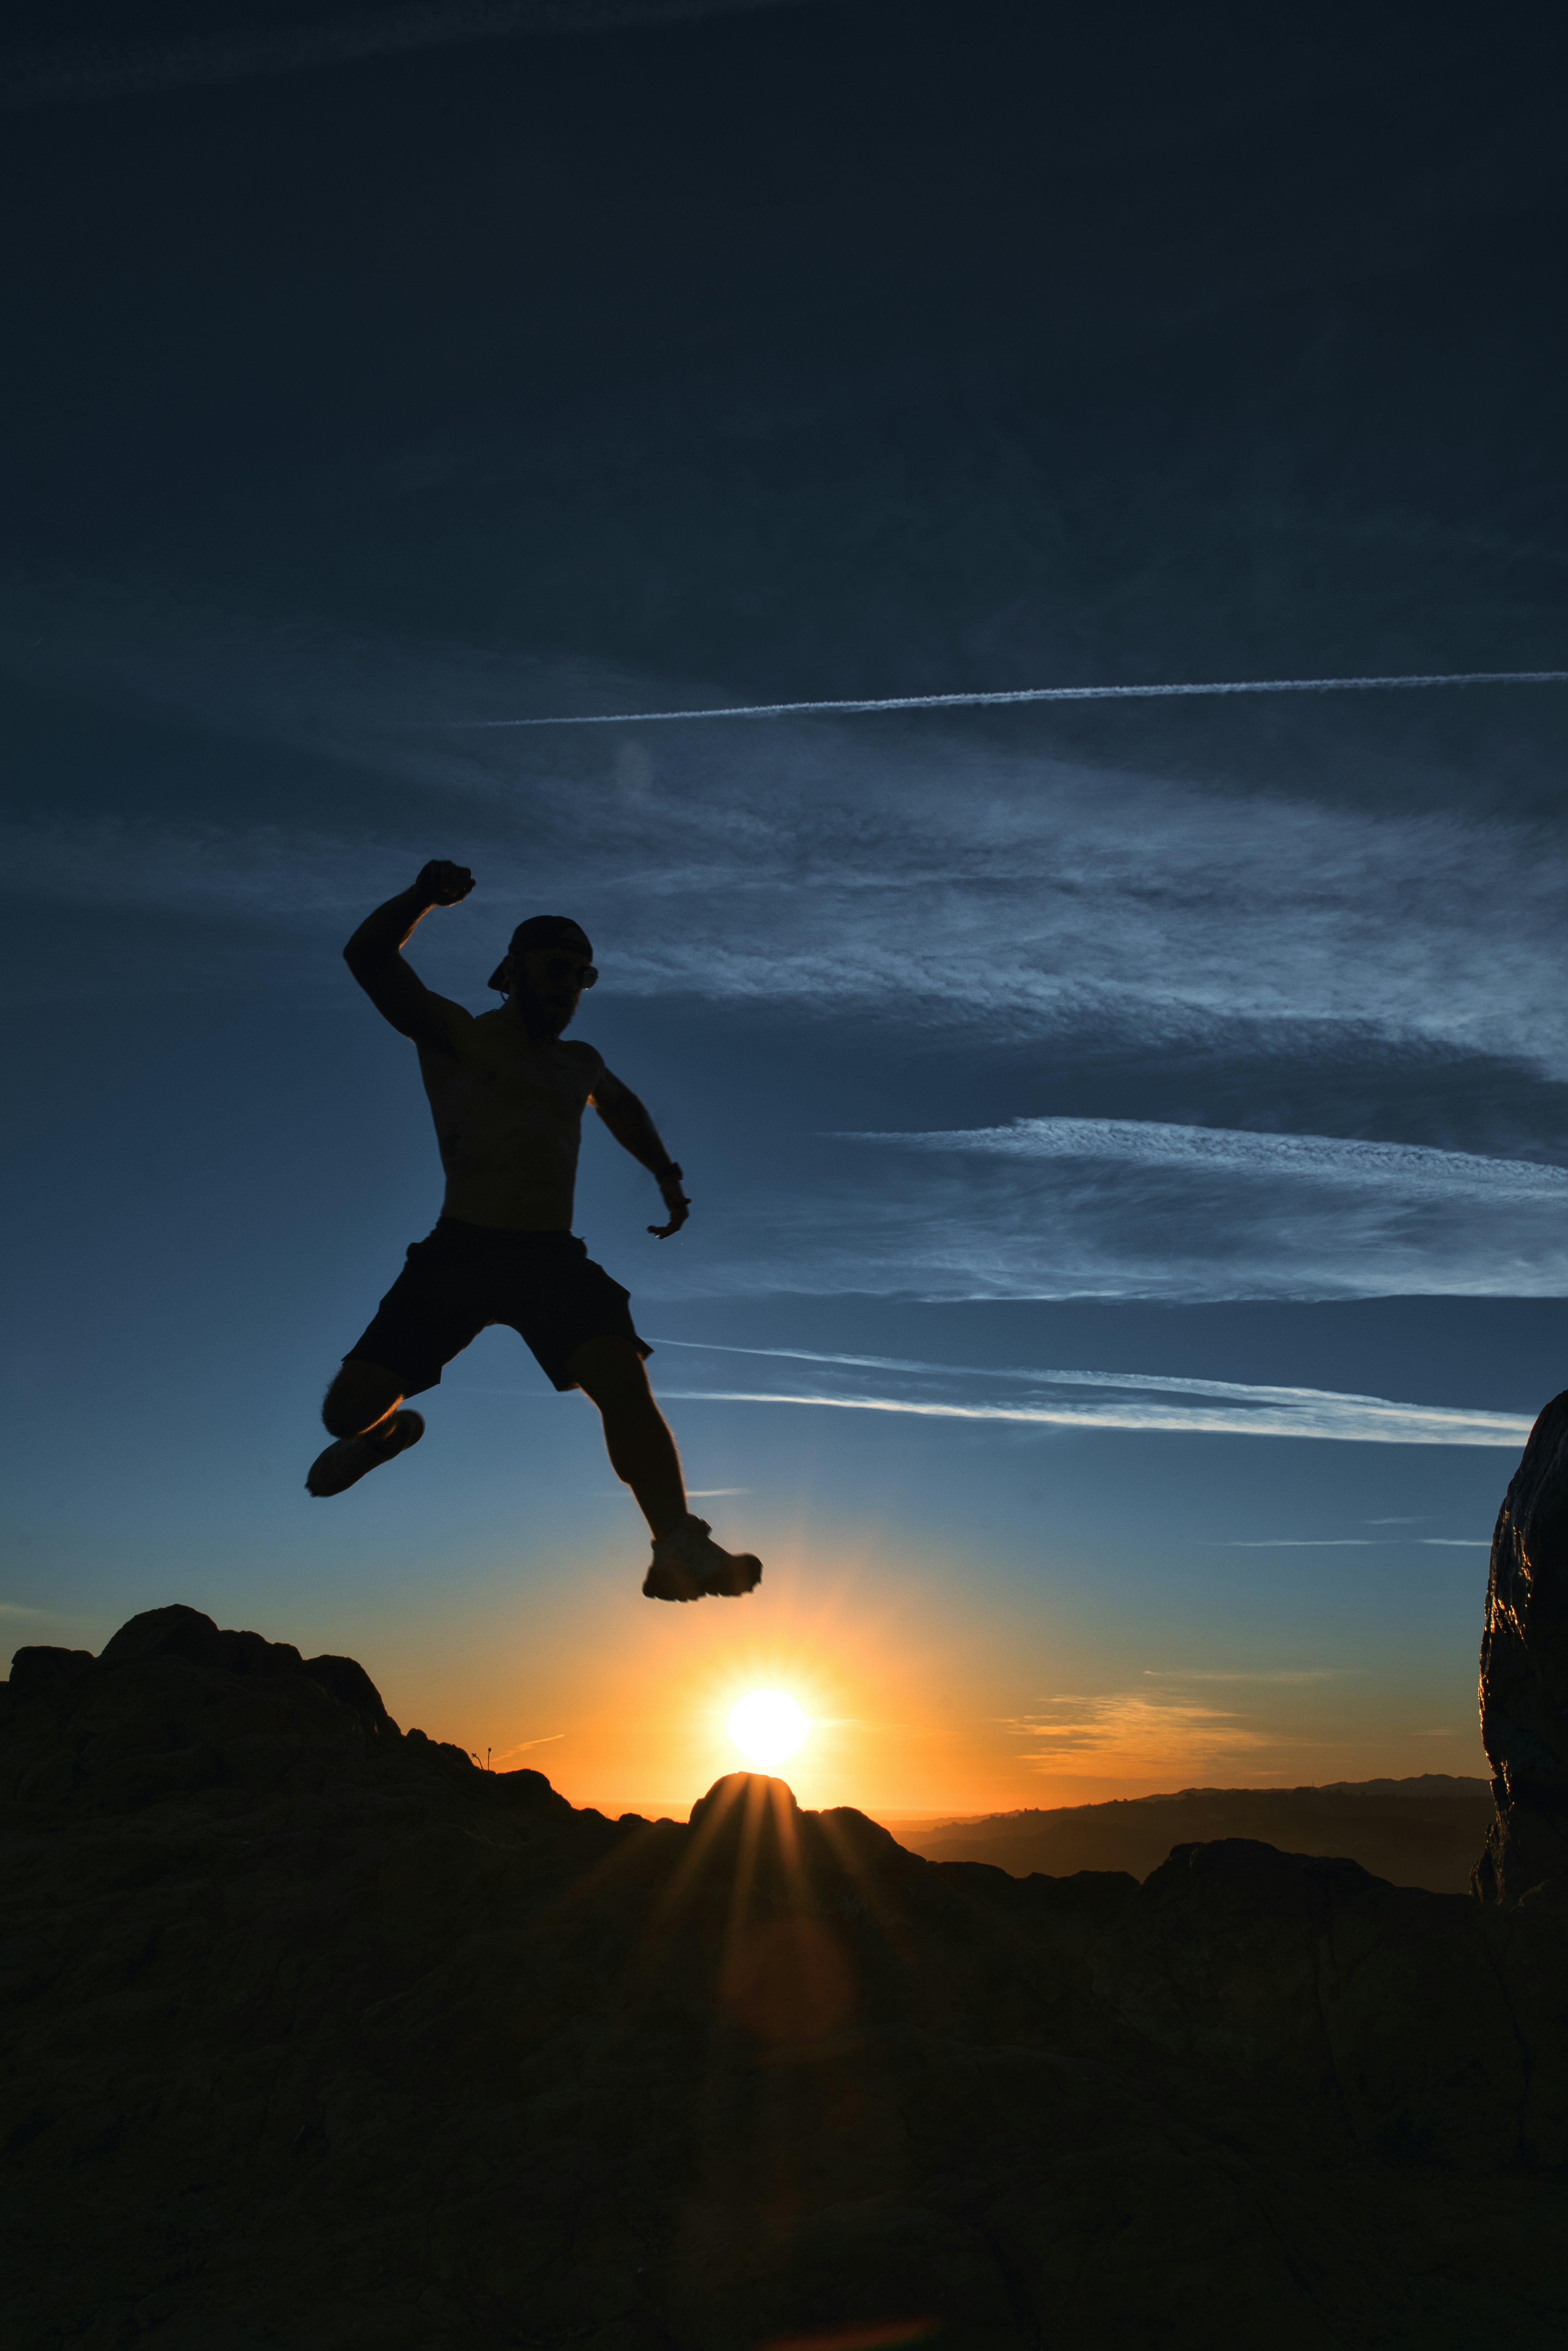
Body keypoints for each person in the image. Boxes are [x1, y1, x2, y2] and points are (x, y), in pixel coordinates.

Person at [305, 860, 762, 1605]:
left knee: (622, 1376)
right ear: (512, 970)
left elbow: (621, 1106)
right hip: (459, 1249)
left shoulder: (579, 1062)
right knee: (344, 1409)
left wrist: (666, 1173)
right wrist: (423, 896)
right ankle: (382, 1435)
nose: (569, 987)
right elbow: (367, 958)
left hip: (550, 1257)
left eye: (583, 976)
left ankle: (675, 1543)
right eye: (556, 969)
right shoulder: (456, 1033)